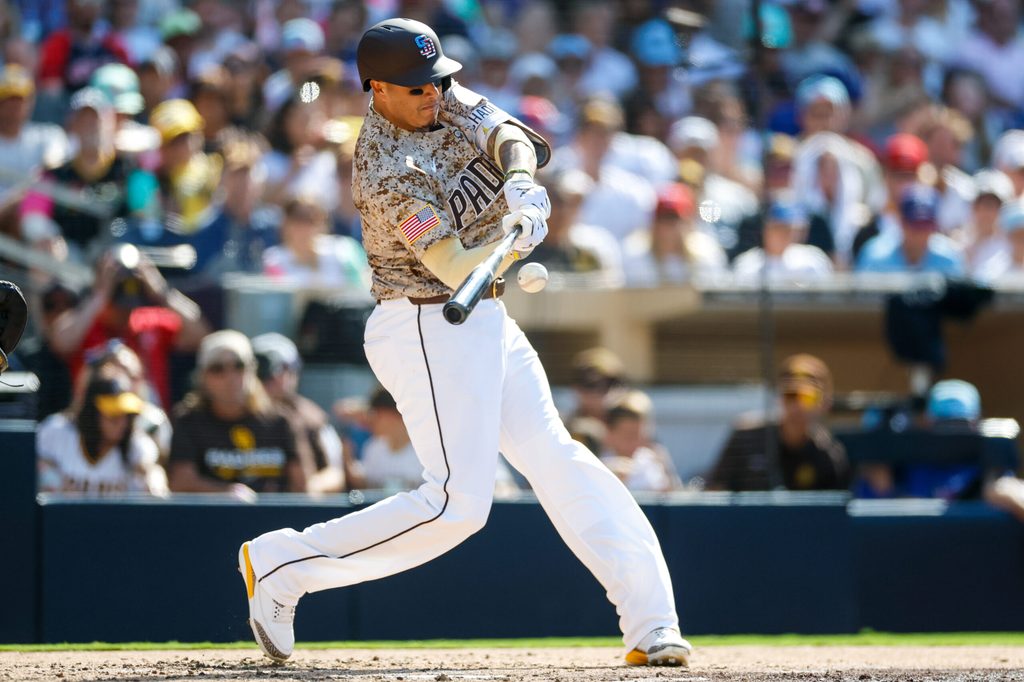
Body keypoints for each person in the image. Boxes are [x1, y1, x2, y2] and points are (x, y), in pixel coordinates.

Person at [237, 18, 690, 668]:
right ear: (377, 88)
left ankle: (652, 624)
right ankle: (283, 563)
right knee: (456, 504)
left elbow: (509, 135)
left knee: (557, 457)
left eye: (435, 81)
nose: (433, 94)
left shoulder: (441, 95)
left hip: (486, 319)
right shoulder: (384, 169)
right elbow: (452, 267)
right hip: (426, 324)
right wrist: (515, 239)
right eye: (415, 87)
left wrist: (521, 184)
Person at [168, 330, 312, 497]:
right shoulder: (189, 422)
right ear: (202, 376)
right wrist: (225, 493)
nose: (230, 377)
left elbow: (302, 486)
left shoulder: (281, 421)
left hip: (273, 513)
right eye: (217, 368)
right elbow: (181, 482)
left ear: (252, 369)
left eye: (239, 366)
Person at [707, 354, 849, 492]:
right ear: (779, 398)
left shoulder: (829, 456)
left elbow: (835, 504)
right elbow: (715, 490)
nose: (797, 406)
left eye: (808, 398)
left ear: (825, 404)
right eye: (790, 396)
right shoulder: (746, 438)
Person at [36, 367, 167, 496]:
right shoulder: (58, 431)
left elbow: (151, 469)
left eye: (125, 414)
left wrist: (155, 480)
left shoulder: (136, 443)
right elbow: (35, 461)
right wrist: (53, 481)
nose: (122, 423)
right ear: (92, 413)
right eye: (113, 415)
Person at [253, 332, 345, 494]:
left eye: (284, 368)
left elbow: (335, 472)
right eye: (264, 369)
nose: (275, 377)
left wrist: (307, 490)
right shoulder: (231, 412)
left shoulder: (312, 416)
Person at [622, 182, 726, 287]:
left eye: (675, 220)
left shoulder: (705, 254)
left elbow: (713, 293)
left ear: (688, 222)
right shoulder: (636, 255)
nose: (668, 228)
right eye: (663, 220)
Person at [856, 184, 966, 276]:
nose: (920, 233)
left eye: (926, 225)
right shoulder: (875, 256)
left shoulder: (949, 259)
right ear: (901, 222)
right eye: (915, 225)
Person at [732, 196, 833, 283]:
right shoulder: (748, 265)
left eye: (788, 229)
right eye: (777, 228)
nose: (783, 235)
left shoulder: (811, 261)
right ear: (765, 230)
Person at [599, 390, 682, 494]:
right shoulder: (595, 462)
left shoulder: (654, 460)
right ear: (609, 432)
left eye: (641, 436)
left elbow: (676, 495)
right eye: (629, 436)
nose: (636, 443)